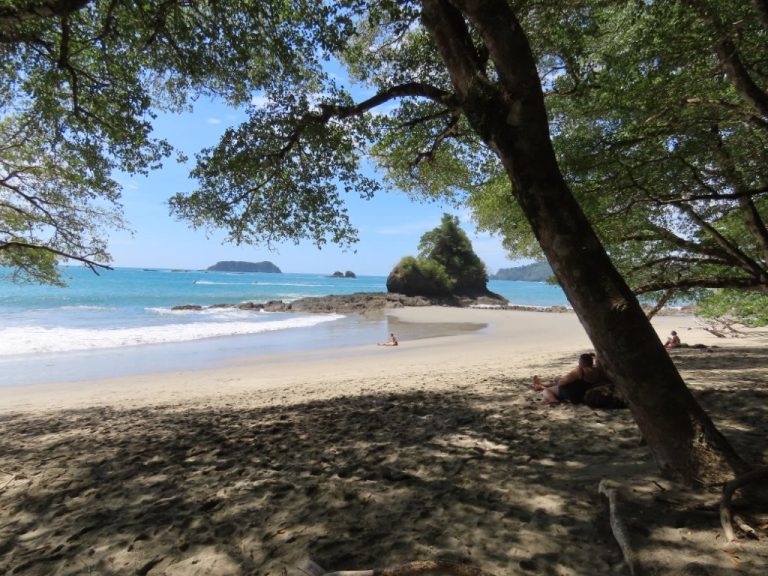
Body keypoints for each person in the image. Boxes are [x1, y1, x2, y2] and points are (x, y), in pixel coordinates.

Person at [531, 352, 608, 405]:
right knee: (552, 388)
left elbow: (562, 383)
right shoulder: (597, 370)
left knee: (546, 391)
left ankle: (553, 400)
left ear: (581, 362)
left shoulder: (580, 369)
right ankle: (541, 386)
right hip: (582, 394)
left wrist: (560, 380)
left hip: (572, 395)